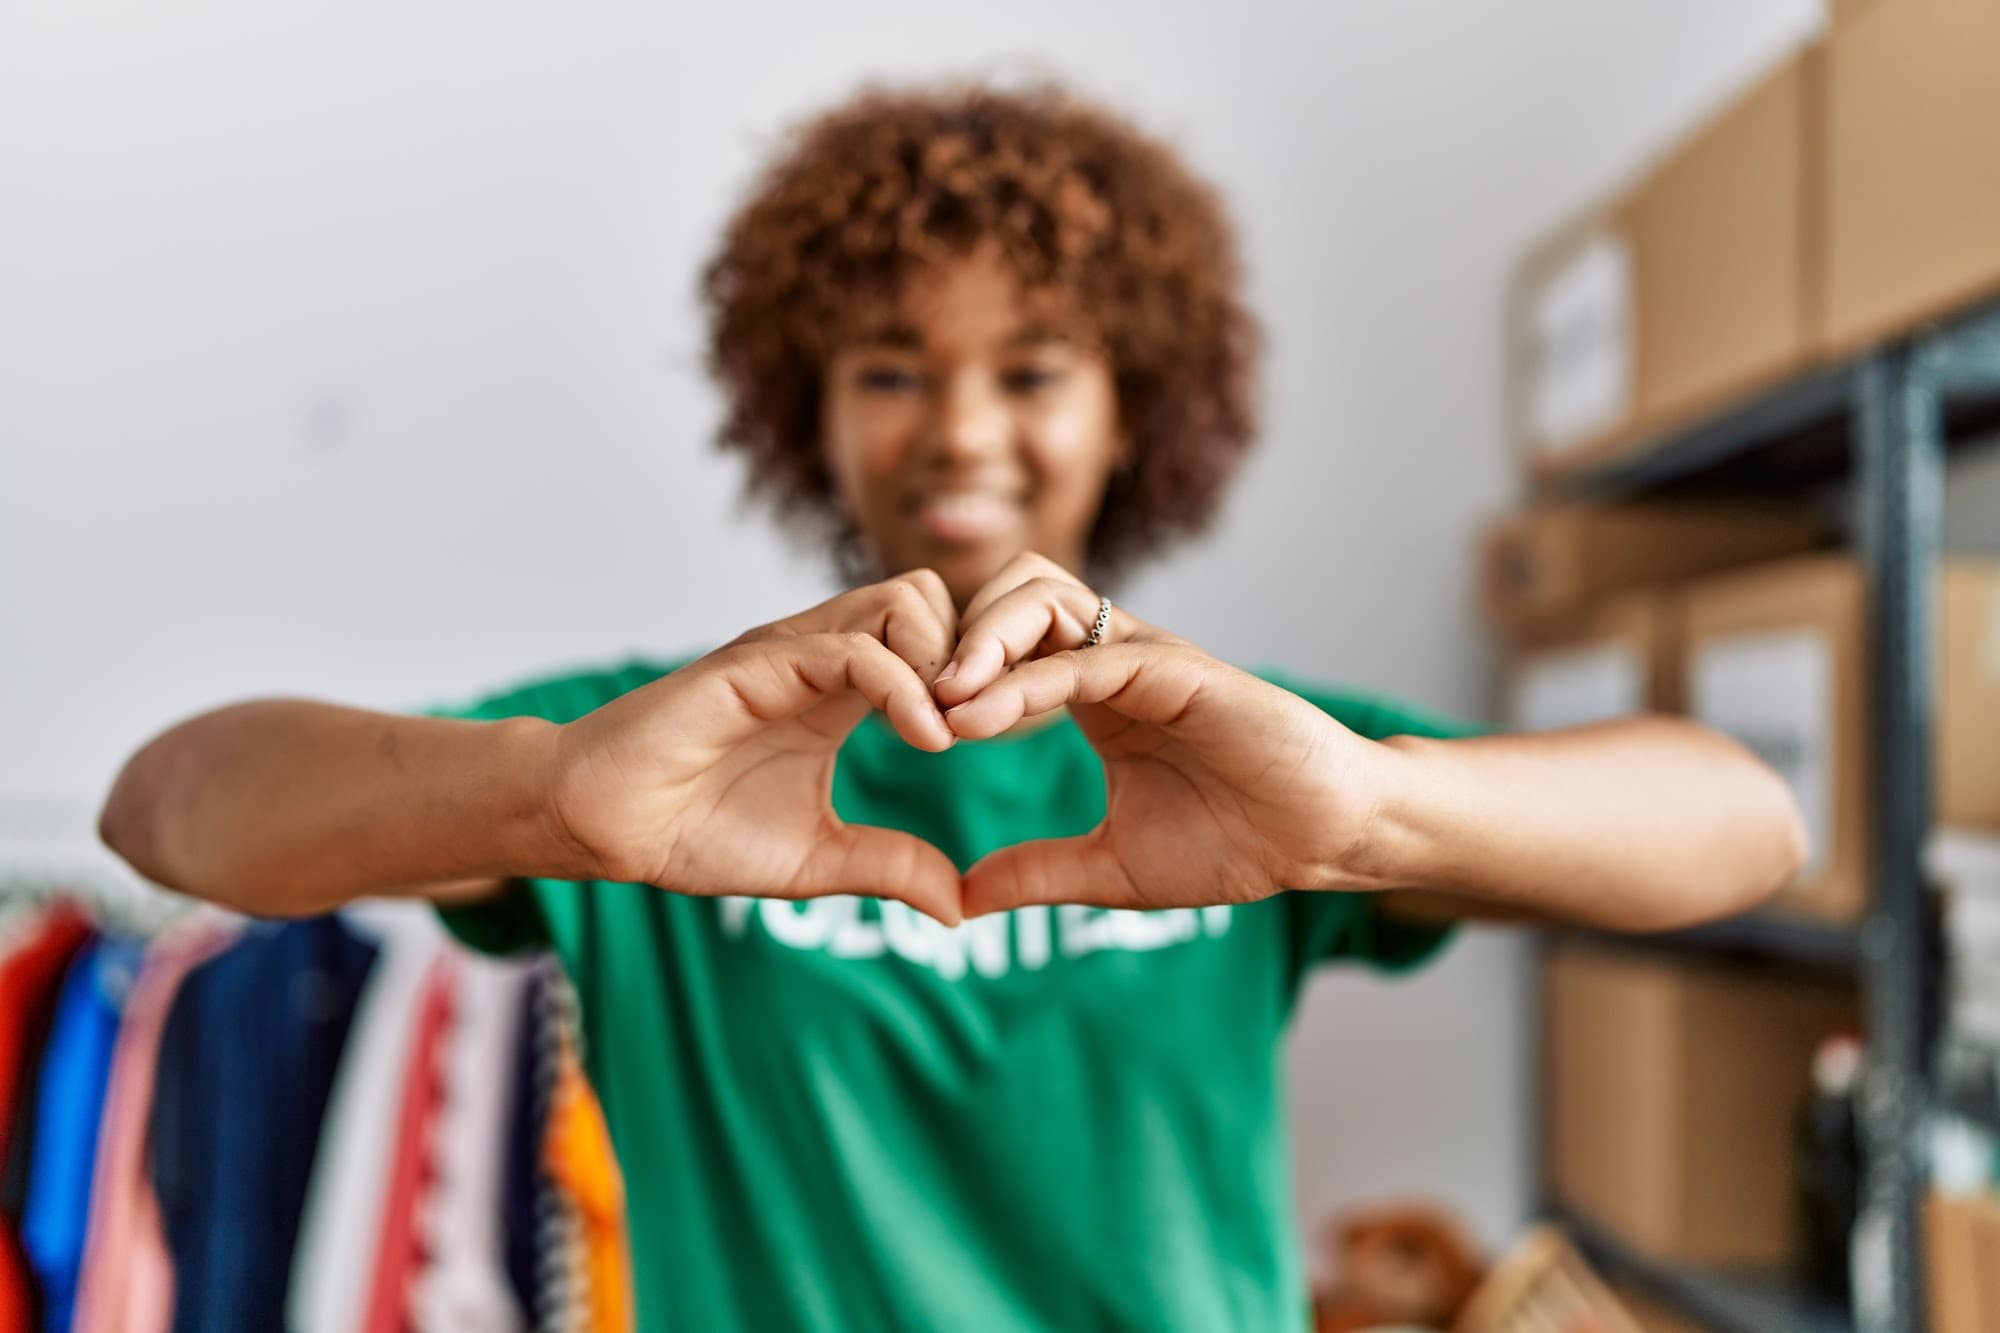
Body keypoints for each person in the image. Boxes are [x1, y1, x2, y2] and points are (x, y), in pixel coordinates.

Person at [98, 81, 1806, 1332]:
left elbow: (1745, 824)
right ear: (807, 411)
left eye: (1034, 367)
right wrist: (550, 797)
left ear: (1135, 408)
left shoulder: (1248, 754)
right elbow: (167, 805)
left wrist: (1369, 814)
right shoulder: (648, 746)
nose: (960, 429)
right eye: (891, 368)